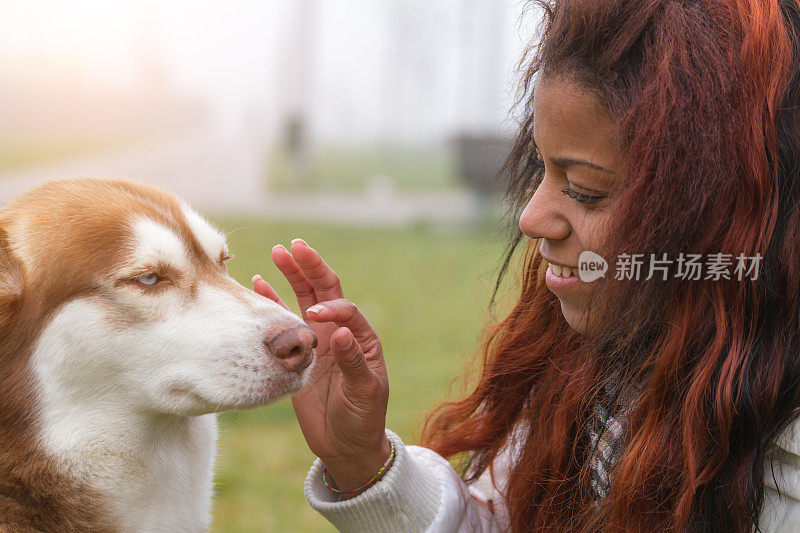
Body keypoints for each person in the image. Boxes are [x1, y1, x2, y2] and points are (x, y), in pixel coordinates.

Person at [253, 0, 800, 530]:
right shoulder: (587, 350)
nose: (533, 217)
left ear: (725, 213)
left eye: (585, 191)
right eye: (541, 166)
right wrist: (363, 464)